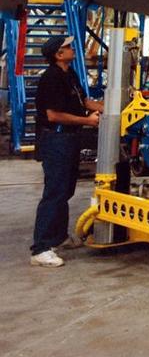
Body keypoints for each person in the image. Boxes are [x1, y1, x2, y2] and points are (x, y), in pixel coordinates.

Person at [30, 35, 104, 267]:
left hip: (70, 137)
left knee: (66, 189)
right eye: (68, 47)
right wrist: (87, 121)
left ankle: (58, 237)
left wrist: (111, 107)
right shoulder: (51, 78)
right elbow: (53, 115)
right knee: (55, 191)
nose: (73, 49)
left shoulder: (69, 74)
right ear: (58, 54)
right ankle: (40, 248)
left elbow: (84, 101)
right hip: (56, 139)